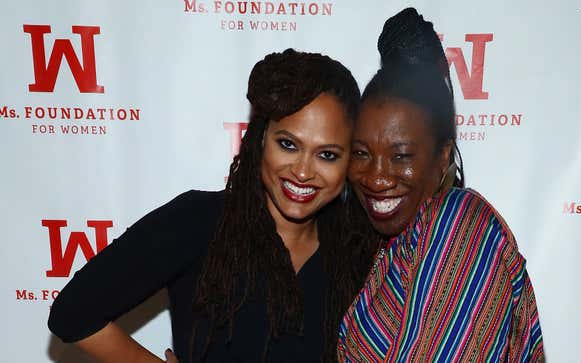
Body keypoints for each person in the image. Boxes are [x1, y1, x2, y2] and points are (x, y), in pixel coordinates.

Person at [48, 49, 378, 363]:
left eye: (327, 155)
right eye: (288, 144)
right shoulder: (199, 222)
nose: (303, 171)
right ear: (261, 139)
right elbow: (73, 314)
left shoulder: (360, 248)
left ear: (351, 159)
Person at [337, 8, 545, 362]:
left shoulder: (461, 227)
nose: (376, 177)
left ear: (442, 159)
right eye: (361, 153)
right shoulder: (390, 242)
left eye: (401, 156)